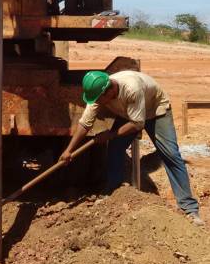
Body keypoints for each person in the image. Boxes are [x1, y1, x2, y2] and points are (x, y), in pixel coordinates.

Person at [63, 70, 202, 225]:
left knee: (170, 154)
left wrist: (110, 134)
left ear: (110, 91)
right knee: (115, 148)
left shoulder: (131, 88)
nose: (98, 103)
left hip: (156, 110)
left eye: (100, 99)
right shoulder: (98, 93)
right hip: (130, 113)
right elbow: (85, 123)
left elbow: (138, 124)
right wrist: (69, 150)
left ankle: (189, 209)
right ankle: (112, 191)